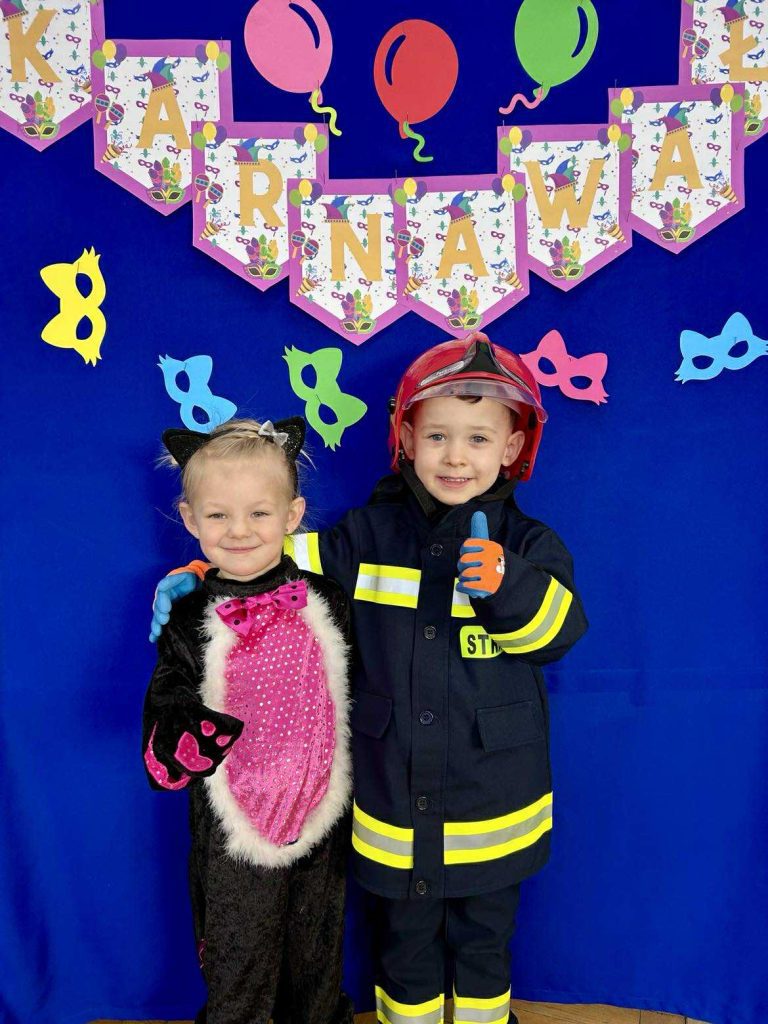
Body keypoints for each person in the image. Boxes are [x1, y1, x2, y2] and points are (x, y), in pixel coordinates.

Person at [151, 334, 588, 1024]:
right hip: (393, 799)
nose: (455, 456)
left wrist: (506, 585)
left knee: (484, 950)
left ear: (511, 448)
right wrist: (201, 573)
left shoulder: (532, 545)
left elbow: (558, 634)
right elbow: (268, 554)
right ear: (406, 439)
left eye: (478, 439)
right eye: (437, 435)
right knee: (402, 949)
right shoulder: (367, 534)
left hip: (494, 806)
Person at [142, 416, 354, 1024]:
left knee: (316, 952)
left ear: (292, 515)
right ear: (190, 519)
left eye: (259, 513)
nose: (239, 531)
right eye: (218, 515)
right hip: (233, 822)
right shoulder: (188, 615)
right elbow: (169, 692)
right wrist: (178, 734)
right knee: (239, 954)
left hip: (321, 811)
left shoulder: (328, 599)